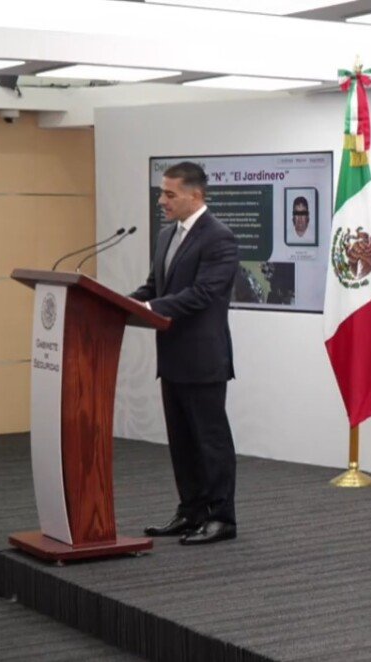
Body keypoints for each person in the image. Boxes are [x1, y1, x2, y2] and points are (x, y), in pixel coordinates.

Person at [130, 161, 241, 546]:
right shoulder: (166, 236)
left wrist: (149, 310)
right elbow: (152, 287)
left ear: (196, 196)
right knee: (181, 441)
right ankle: (191, 510)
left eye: (169, 194)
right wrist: (117, 304)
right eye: (161, 193)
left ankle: (221, 517)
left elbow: (203, 293)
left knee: (210, 442)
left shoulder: (219, 237)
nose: (162, 201)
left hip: (204, 359)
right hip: (172, 358)